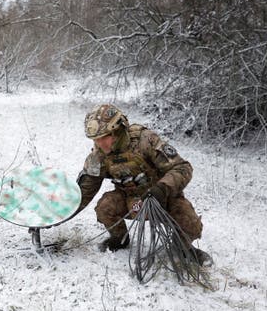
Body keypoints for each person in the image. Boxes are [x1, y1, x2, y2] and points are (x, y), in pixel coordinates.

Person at [76, 104, 212, 265]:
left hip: (162, 197)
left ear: (118, 131)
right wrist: (58, 215)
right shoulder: (98, 156)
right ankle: (120, 239)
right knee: (105, 207)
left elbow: (182, 168)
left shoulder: (145, 140)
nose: (99, 144)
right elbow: (85, 191)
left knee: (190, 222)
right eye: (95, 140)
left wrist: (162, 189)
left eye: (104, 137)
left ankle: (183, 248)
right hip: (130, 201)